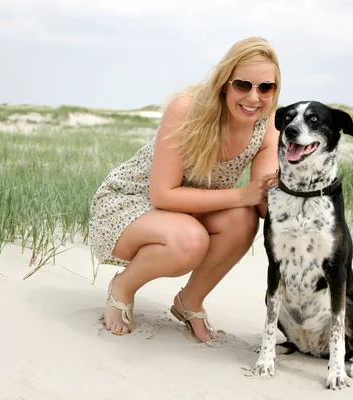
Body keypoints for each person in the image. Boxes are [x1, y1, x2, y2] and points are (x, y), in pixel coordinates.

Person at [89, 36, 281, 343]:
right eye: (243, 85)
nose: (254, 97)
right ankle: (123, 287)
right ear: (224, 83)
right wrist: (242, 194)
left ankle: (189, 302)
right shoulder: (188, 109)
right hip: (133, 205)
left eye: (265, 88)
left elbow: (261, 203)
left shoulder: (269, 123)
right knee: (190, 240)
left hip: (192, 211)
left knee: (244, 219)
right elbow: (163, 195)